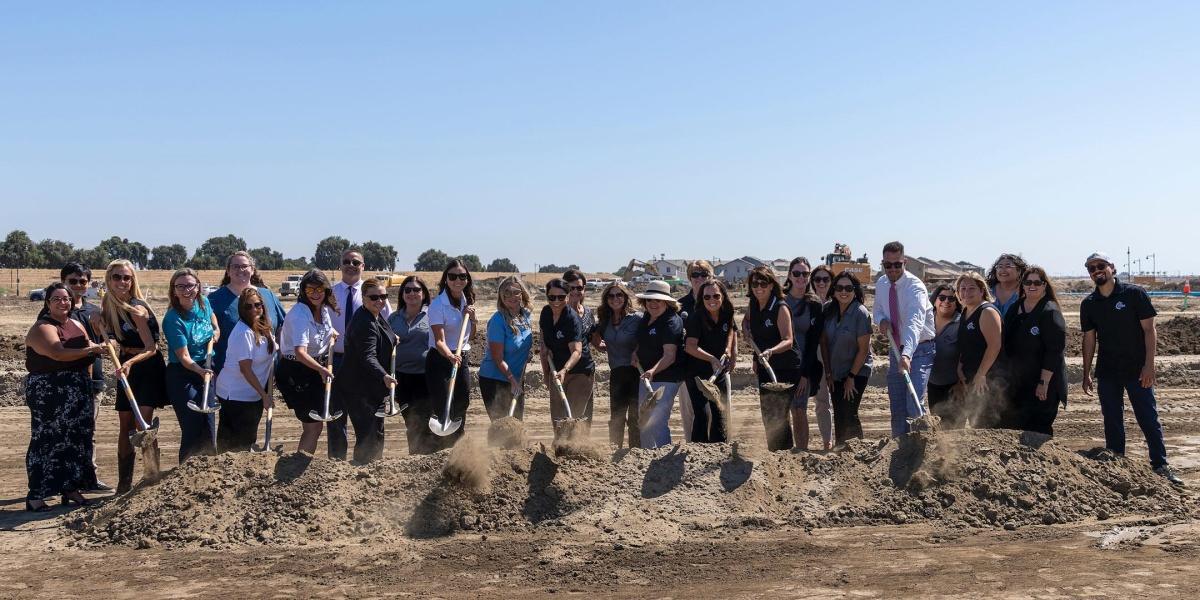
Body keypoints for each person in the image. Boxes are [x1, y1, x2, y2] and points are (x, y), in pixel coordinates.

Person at [1081, 252, 1183, 486]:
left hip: (1137, 370)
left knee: (1148, 418)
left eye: (1100, 265)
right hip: (1107, 371)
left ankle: (1160, 465)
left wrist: (1149, 365)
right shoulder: (1088, 304)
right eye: (1091, 268)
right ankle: (1117, 464)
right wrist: (1086, 372)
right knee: (1112, 419)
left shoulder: (1134, 294)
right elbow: (1089, 339)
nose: (1096, 270)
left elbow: (1149, 330)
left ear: (1112, 268)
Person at [24, 283, 106, 511]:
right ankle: (36, 496)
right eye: (57, 299)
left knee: (77, 439)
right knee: (48, 440)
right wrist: (92, 350)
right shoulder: (43, 327)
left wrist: (101, 346)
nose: (63, 303)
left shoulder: (77, 323)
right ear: (47, 303)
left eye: (66, 299)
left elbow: (90, 346)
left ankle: (71, 489)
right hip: (49, 391)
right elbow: (57, 353)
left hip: (78, 388)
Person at [93, 260, 168, 494]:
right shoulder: (108, 305)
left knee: (142, 424)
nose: (122, 282)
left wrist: (129, 362)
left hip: (146, 367)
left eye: (126, 277)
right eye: (117, 277)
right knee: (125, 424)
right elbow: (110, 338)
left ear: (132, 280)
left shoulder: (138, 309)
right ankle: (124, 483)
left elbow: (150, 348)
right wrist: (98, 324)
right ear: (109, 279)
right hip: (126, 366)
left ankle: (151, 477)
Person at [46, 263, 110, 490]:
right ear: (63, 281)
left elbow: (106, 342)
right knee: (62, 432)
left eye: (82, 281)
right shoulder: (55, 312)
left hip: (93, 380)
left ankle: (88, 478)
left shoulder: (94, 311)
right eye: (72, 281)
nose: (77, 286)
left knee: (88, 431)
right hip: (64, 381)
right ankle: (61, 482)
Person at [328, 248, 391, 460]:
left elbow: (385, 326)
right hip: (336, 362)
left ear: (363, 266)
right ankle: (336, 467)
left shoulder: (378, 297)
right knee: (337, 422)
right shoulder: (330, 294)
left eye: (356, 262)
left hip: (365, 368)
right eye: (347, 261)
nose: (351, 265)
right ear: (340, 265)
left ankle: (364, 463)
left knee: (367, 423)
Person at [872, 241, 936, 437]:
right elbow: (877, 311)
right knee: (897, 405)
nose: (892, 269)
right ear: (883, 263)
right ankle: (899, 449)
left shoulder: (915, 288)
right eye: (888, 265)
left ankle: (922, 446)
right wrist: (882, 321)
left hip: (919, 351)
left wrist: (907, 354)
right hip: (895, 347)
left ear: (904, 262)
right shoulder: (882, 284)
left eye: (897, 264)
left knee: (914, 403)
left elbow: (914, 323)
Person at [276, 270, 338, 456]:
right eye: (310, 289)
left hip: (313, 369)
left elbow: (323, 331)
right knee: (313, 426)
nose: (316, 293)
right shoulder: (299, 314)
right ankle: (298, 464)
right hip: (297, 372)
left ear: (326, 290)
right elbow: (300, 352)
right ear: (303, 291)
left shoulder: (324, 310)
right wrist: (321, 369)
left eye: (320, 288)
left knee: (316, 425)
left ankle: (302, 461)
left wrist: (332, 333)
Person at [162, 268, 220, 462]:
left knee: (209, 422)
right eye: (181, 286)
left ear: (198, 287)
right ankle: (185, 473)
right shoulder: (172, 319)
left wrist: (216, 332)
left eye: (190, 285)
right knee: (192, 424)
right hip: (183, 373)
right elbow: (185, 357)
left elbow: (214, 324)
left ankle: (210, 470)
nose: (187, 290)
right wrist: (201, 371)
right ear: (174, 290)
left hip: (206, 367)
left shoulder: (204, 304)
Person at [336, 279, 396, 464]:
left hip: (370, 388)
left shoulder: (374, 316)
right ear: (363, 298)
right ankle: (363, 472)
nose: (380, 300)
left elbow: (383, 334)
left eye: (383, 296)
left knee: (375, 432)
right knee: (368, 435)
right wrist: (383, 375)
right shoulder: (365, 322)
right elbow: (367, 356)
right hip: (360, 389)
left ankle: (372, 469)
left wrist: (393, 338)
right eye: (374, 297)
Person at [1003, 266, 1066, 436]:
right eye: (1028, 282)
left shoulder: (1050, 311)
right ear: (1022, 285)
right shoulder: (1014, 308)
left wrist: (1043, 383)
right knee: (1014, 426)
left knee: (1037, 428)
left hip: (1043, 383)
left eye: (1037, 282)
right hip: (1018, 381)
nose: (1032, 285)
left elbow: (1054, 351)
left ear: (1044, 285)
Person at [742, 266, 798, 451]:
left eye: (763, 283)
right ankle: (774, 453)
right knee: (767, 413)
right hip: (765, 366)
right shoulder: (754, 305)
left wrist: (771, 351)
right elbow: (746, 321)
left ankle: (785, 455)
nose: (759, 287)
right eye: (755, 283)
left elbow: (788, 340)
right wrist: (746, 330)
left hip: (785, 367)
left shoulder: (780, 307)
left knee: (779, 414)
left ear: (771, 285)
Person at [214, 289, 277, 452]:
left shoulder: (264, 328)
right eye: (248, 306)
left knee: (246, 440)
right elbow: (245, 369)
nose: (254, 309)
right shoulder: (243, 333)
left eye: (257, 305)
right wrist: (264, 396)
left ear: (263, 306)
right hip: (235, 395)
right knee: (235, 444)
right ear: (242, 309)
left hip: (252, 393)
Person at [424, 259, 476, 451]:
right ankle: (439, 449)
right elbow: (439, 340)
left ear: (467, 279)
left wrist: (472, 317)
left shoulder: (466, 301)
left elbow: (471, 335)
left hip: (460, 357)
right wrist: (450, 356)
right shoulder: (438, 305)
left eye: (462, 276)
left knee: (462, 401)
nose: (458, 280)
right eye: (453, 276)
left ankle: (458, 446)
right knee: (442, 402)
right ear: (446, 279)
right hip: (440, 358)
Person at [208, 251, 286, 377]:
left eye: (245, 266)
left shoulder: (268, 295)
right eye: (235, 266)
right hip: (232, 374)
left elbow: (283, 327)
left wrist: (281, 357)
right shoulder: (215, 300)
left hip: (267, 373)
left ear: (253, 270)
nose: (240, 269)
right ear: (228, 271)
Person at [820, 272, 874, 446]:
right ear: (834, 290)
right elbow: (824, 344)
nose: (844, 292)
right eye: (840, 288)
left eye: (849, 288)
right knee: (839, 412)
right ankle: (840, 451)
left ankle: (858, 453)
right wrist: (828, 372)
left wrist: (851, 378)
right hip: (835, 370)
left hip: (857, 371)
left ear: (855, 290)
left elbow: (863, 350)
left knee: (849, 411)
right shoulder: (828, 310)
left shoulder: (860, 313)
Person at [683, 279, 737, 443]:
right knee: (702, 413)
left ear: (723, 297)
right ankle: (698, 452)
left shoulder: (727, 313)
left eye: (716, 296)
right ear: (701, 298)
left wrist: (729, 351)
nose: (712, 300)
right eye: (707, 297)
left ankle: (718, 450)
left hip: (717, 370)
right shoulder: (696, 317)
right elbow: (690, 347)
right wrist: (712, 358)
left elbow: (731, 331)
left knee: (719, 411)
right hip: (695, 371)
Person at [634, 281, 685, 449]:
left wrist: (652, 371)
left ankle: (662, 460)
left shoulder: (671, 321)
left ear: (667, 302)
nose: (653, 304)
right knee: (644, 420)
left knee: (657, 421)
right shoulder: (647, 317)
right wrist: (635, 353)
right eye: (649, 300)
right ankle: (647, 456)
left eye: (658, 300)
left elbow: (669, 356)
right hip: (647, 377)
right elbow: (642, 341)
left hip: (666, 378)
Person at [388, 275, 433, 454]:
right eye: (407, 290)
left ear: (424, 294)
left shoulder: (432, 316)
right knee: (411, 420)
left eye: (416, 290)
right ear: (402, 294)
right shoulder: (394, 318)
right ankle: (414, 456)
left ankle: (429, 457)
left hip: (426, 376)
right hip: (402, 377)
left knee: (426, 418)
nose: (412, 293)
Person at [955, 272, 1006, 428]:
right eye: (962, 288)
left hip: (988, 378)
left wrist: (981, 374)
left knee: (986, 423)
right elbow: (966, 344)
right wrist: (960, 367)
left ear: (981, 290)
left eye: (971, 288)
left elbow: (994, 346)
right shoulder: (965, 312)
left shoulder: (987, 312)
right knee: (974, 420)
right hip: (971, 376)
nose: (966, 292)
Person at [782, 257, 824, 450]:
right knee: (781, 412)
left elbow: (814, 342)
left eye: (805, 274)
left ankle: (801, 452)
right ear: (790, 275)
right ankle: (780, 454)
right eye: (796, 273)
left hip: (803, 365)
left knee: (799, 409)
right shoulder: (779, 299)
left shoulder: (814, 304)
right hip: (781, 363)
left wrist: (806, 375)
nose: (800, 277)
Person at [479, 277, 534, 420]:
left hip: (516, 377)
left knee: (516, 424)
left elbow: (523, 343)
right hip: (494, 379)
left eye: (516, 292)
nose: (511, 296)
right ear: (501, 296)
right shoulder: (498, 320)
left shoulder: (526, 316)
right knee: (502, 428)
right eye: (507, 293)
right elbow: (498, 358)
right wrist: (512, 381)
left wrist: (527, 353)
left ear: (522, 294)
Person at [595, 281, 642, 448]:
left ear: (625, 297)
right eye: (611, 295)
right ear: (606, 299)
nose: (615, 299)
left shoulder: (637, 318)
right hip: (616, 373)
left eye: (619, 295)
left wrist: (637, 351)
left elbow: (646, 339)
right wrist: (598, 345)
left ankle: (635, 451)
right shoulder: (604, 320)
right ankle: (615, 449)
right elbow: (594, 335)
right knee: (617, 415)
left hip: (636, 372)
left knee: (636, 416)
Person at [540, 278, 590, 429]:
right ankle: (560, 450)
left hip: (579, 372)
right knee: (558, 419)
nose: (556, 301)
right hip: (556, 370)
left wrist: (565, 370)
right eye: (552, 297)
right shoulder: (545, 313)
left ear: (568, 297)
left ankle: (575, 450)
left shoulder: (571, 319)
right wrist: (546, 374)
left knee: (572, 417)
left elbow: (576, 352)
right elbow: (543, 345)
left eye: (561, 297)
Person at [676, 260, 716, 441]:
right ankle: (692, 452)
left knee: (716, 413)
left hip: (715, 367)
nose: (699, 278)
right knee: (689, 414)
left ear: (711, 277)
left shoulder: (719, 301)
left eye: (704, 274)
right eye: (695, 275)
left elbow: (732, 331)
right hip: (687, 368)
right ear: (689, 278)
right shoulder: (679, 306)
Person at [560, 269, 597, 426]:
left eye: (579, 288)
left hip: (586, 370)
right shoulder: (558, 313)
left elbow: (594, 340)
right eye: (571, 288)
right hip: (564, 371)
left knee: (584, 418)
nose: (575, 291)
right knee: (565, 418)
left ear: (584, 289)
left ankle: (582, 449)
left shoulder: (588, 312)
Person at [806, 264, 835, 450]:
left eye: (826, 279)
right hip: (816, 354)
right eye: (818, 279)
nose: (822, 283)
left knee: (840, 399)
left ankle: (845, 438)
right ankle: (827, 440)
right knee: (821, 400)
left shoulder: (838, 302)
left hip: (837, 353)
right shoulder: (808, 303)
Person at [926, 284, 963, 427]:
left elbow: (967, 354)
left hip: (954, 386)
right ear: (935, 301)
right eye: (942, 297)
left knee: (954, 428)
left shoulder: (962, 323)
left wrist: (961, 384)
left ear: (957, 302)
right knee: (937, 426)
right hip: (932, 384)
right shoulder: (926, 320)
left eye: (951, 299)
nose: (946, 301)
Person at [987, 254, 1028, 318]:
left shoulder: (1026, 292)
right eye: (1000, 267)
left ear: (1019, 271)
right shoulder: (987, 291)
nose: (1003, 270)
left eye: (1008, 266)